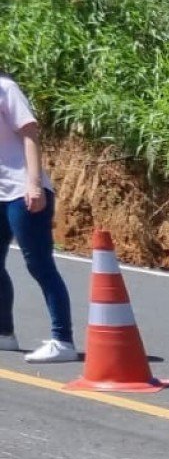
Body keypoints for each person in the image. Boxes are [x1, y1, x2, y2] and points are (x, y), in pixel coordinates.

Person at [0, 71, 77, 364]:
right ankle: (4, 334)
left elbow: (30, 133)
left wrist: (33, 184)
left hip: (24, 192)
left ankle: (63, 340)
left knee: (39, 265)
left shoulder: (5, 88)